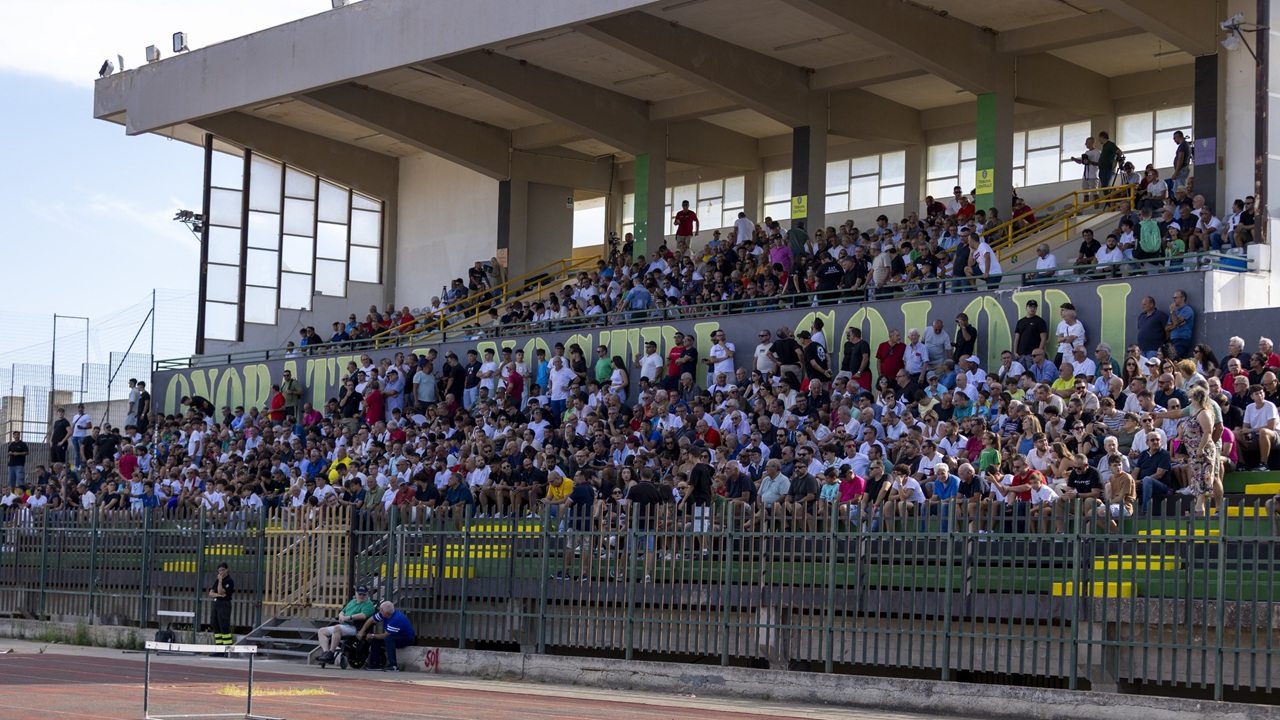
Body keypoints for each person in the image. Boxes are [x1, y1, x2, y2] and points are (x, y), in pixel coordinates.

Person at [316, 585, 376, 664]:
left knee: (337, 628)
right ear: (356, 593)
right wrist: (341, 616)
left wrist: (349, 617)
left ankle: (331, 652)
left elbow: (363, 615)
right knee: (321, 631)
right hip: (345, 625)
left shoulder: (368, 604)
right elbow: (342, 611)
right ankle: (326, 653)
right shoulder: (352, 602)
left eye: (364, 594)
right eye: (360, 594)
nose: (361, 596)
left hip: (355, 627)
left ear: (367, 594)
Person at [357, 600, 415, 672]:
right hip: (395, 636)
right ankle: (376, 665)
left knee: (388, 639)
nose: (380, 611)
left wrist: (372, 635)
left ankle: (393, 666)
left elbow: (385, 636)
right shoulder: (385, 614)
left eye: (381, 610)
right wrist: (362, 631)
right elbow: (371, 619)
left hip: (406, 638)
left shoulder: (396, 619)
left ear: (386, 613)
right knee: (375, 640)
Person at [207, 562, 235, 652]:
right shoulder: (217, 581)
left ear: (227, 570)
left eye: (223, 570)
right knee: (216, 626)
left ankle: (227, 649)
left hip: (224, 605)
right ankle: (219, 649)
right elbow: (210, 593)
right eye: (219, 571)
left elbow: (221, 591)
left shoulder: (229, 581)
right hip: (216, 605)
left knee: (224, 626)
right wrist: (219, 595)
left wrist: (220, 581)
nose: (221, 572)